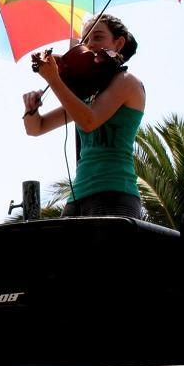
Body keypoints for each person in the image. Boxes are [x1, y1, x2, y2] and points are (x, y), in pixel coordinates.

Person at [22, 14, 144, 218]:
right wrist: (31, 110)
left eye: (98, 37)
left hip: (115, 191)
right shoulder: (88, 92)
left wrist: (55, 80)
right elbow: (36, 128)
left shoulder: (127, 82)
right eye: (85, 40)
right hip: (78, 195)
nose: (90, 45)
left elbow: (89, 121)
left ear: (119, 43)